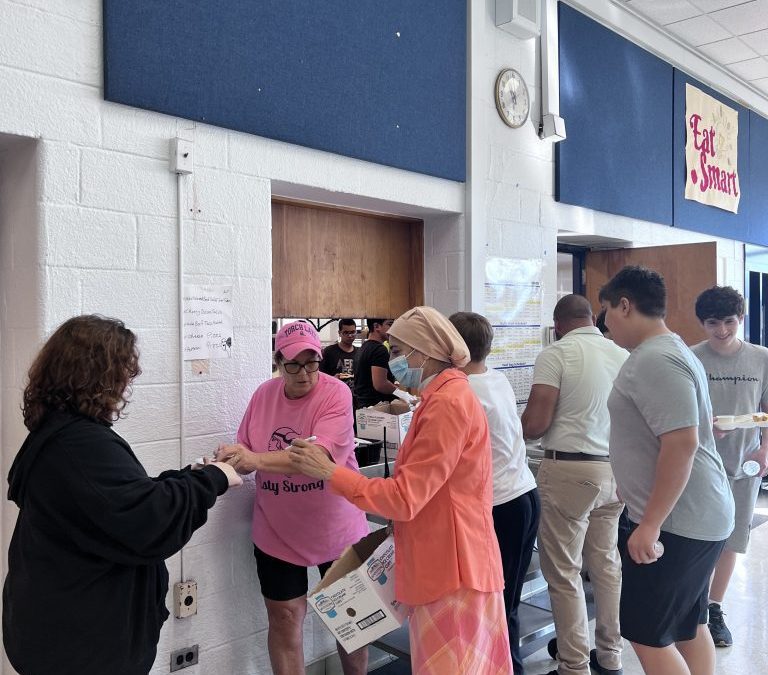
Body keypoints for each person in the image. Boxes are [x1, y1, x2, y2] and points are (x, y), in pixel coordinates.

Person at [2, 315, 242, 675]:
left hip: (55, 627)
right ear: (96, 374)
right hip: (80, 646)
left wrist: (188, 476)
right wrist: (213, 479)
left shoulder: (57, 432)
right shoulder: (80, 443)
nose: (127, 382)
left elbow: (116, 501)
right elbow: (148, 520)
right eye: (122, 372)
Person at [289, 306, 513, 674]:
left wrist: (330, 472)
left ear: (423, 352)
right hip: (449, 559)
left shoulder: (448, 405)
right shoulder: (441, 398)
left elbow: (405, 498)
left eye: (396, 352)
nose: (391, 362)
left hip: (451, 570)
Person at [599, 266, 734, 675]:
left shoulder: (656, 358)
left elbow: (683, 443)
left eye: (605, 311)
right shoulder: (672, 351)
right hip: (695, 514)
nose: (604, 324)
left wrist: (650, 523)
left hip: (680, 521)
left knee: (647, 634)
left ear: (624, 305)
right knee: (690, 625)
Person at [215, 319, 369, 675]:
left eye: (312, 362)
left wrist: (254, 458)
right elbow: (250, 455)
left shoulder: (335, 394)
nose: (304, 373)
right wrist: (235, 456)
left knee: (350, 620)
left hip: (337, 528)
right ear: (279, 363)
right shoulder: (263, 396)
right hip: (277, 530)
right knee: (285, 617)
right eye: (294, 364)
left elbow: (315, 458)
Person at [520, 294, 628, 675]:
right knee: (606, 564)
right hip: (616, 472)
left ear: (558, 323)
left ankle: (573, 664)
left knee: (564, 571)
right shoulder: (621, 354)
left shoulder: (557, 353)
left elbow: (535, 424)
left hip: (569, 472)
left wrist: (511, 427)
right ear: (591, 319)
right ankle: (610, 654)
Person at [449, 311, 539, 675]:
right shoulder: (495, 378)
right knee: (505, 601)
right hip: (523, 494)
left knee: (501, 603)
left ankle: (509, 667)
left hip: (503, 504)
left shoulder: (464, 391)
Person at [691, 285, 768, 647]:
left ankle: (714, 607)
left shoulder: (761, 358)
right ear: (702, 323)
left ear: (741, 318)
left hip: (745, 463)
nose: (721, 330)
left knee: (733, 539)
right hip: (700, 464)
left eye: (728, 322)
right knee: (698, 538)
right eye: (712, 323)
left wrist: (765, 451)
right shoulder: (691, 358)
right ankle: (693, 605)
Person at [353, 318, 397, 408]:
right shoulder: (379, 350)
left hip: (362, 407)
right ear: (376, 326)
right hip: (377, 409)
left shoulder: (362, 348)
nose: (393, 329)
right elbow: (381, 384)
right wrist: (402, 394)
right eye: (390, 324)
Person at [320, 318, 358, 383]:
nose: (350, 335)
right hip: (335, 391)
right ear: (339, 333)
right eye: (346, 333)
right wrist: (332, 379)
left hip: (356, 392)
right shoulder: (328, 352)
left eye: (352, 332)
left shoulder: (360, 352)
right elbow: (320, 376)